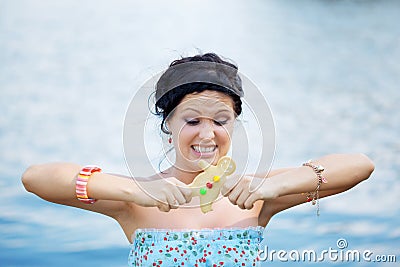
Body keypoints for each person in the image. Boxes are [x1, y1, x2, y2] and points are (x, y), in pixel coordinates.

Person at [21, 53, 375, 267]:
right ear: (169, 125)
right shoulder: (135, 200)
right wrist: (136, 192)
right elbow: (36, 178)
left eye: (220, 121)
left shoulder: (254, 194)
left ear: (234, 125)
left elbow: (359, 165)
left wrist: (275, 184)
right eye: (192, 121)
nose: (207, 134)